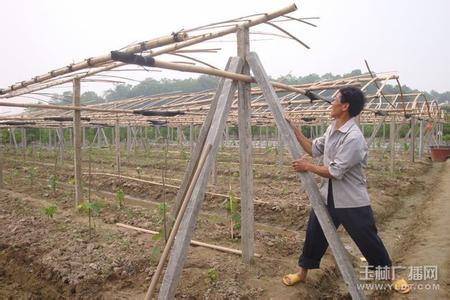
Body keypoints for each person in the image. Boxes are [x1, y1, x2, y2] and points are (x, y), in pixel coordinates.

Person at [282, 87, 410, 294]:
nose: (330, 103)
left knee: (368, 238)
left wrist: (308, 167)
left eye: (335, 100)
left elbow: (335, 171)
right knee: (314, 233)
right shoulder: (333, 128)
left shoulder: (354, 138)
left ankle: (392, 276)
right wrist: (295, 130)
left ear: (345, 106)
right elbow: (313, 149)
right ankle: (302, 273)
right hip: (328, 196)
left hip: (351, 200)